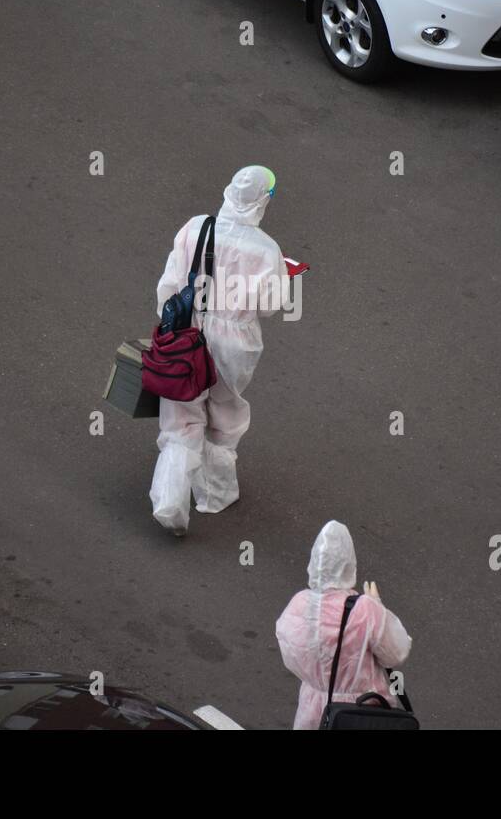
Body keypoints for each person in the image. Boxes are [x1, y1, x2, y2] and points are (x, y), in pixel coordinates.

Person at [149, 165, 289, 536]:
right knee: (224, 413)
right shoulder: (267, 250)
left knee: (182, 418)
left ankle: (169, 502)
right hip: (235, 344)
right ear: (263, 201)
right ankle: (214, 494)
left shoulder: (196, 228)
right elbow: (271, 305)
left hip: (188, 330)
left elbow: (168, 286)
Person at [275, 521, 412, 729]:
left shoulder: (297, 605)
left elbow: (291, 658)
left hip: (314, 711)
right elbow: (397, 653)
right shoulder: (364, 609)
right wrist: (378, 607)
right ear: (349, 564)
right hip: (363, 711)